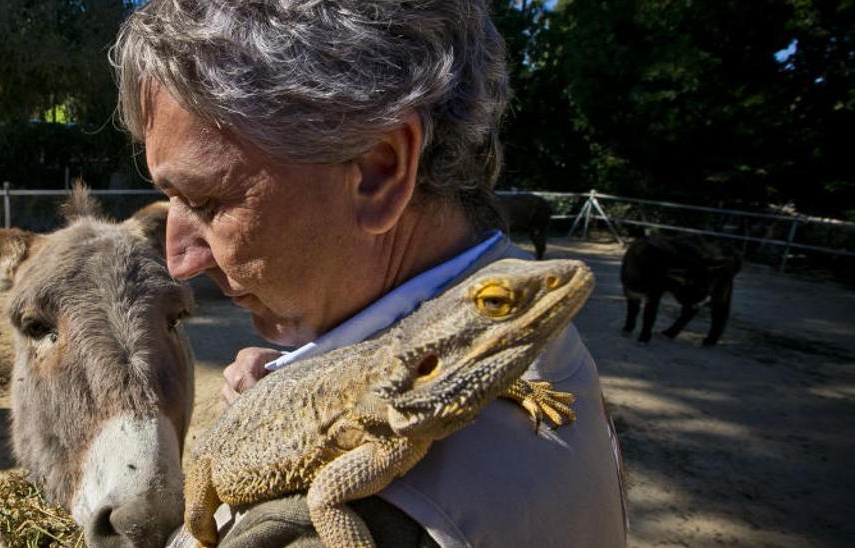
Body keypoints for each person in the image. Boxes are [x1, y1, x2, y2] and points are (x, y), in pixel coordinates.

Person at [111, 1, 628, 546]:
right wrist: (291, 386)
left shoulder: (320, 527)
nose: (179, 262)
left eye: (207, 200)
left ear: (380, 172)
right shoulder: (533, 336)